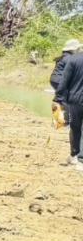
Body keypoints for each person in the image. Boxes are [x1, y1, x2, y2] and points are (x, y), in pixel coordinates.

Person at [53, 38, 83, 169]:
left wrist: (58, 98)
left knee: (75, 128)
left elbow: (64, 81)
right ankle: (78, 158)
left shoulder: (73, 60)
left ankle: (76, 156)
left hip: (75, 99)